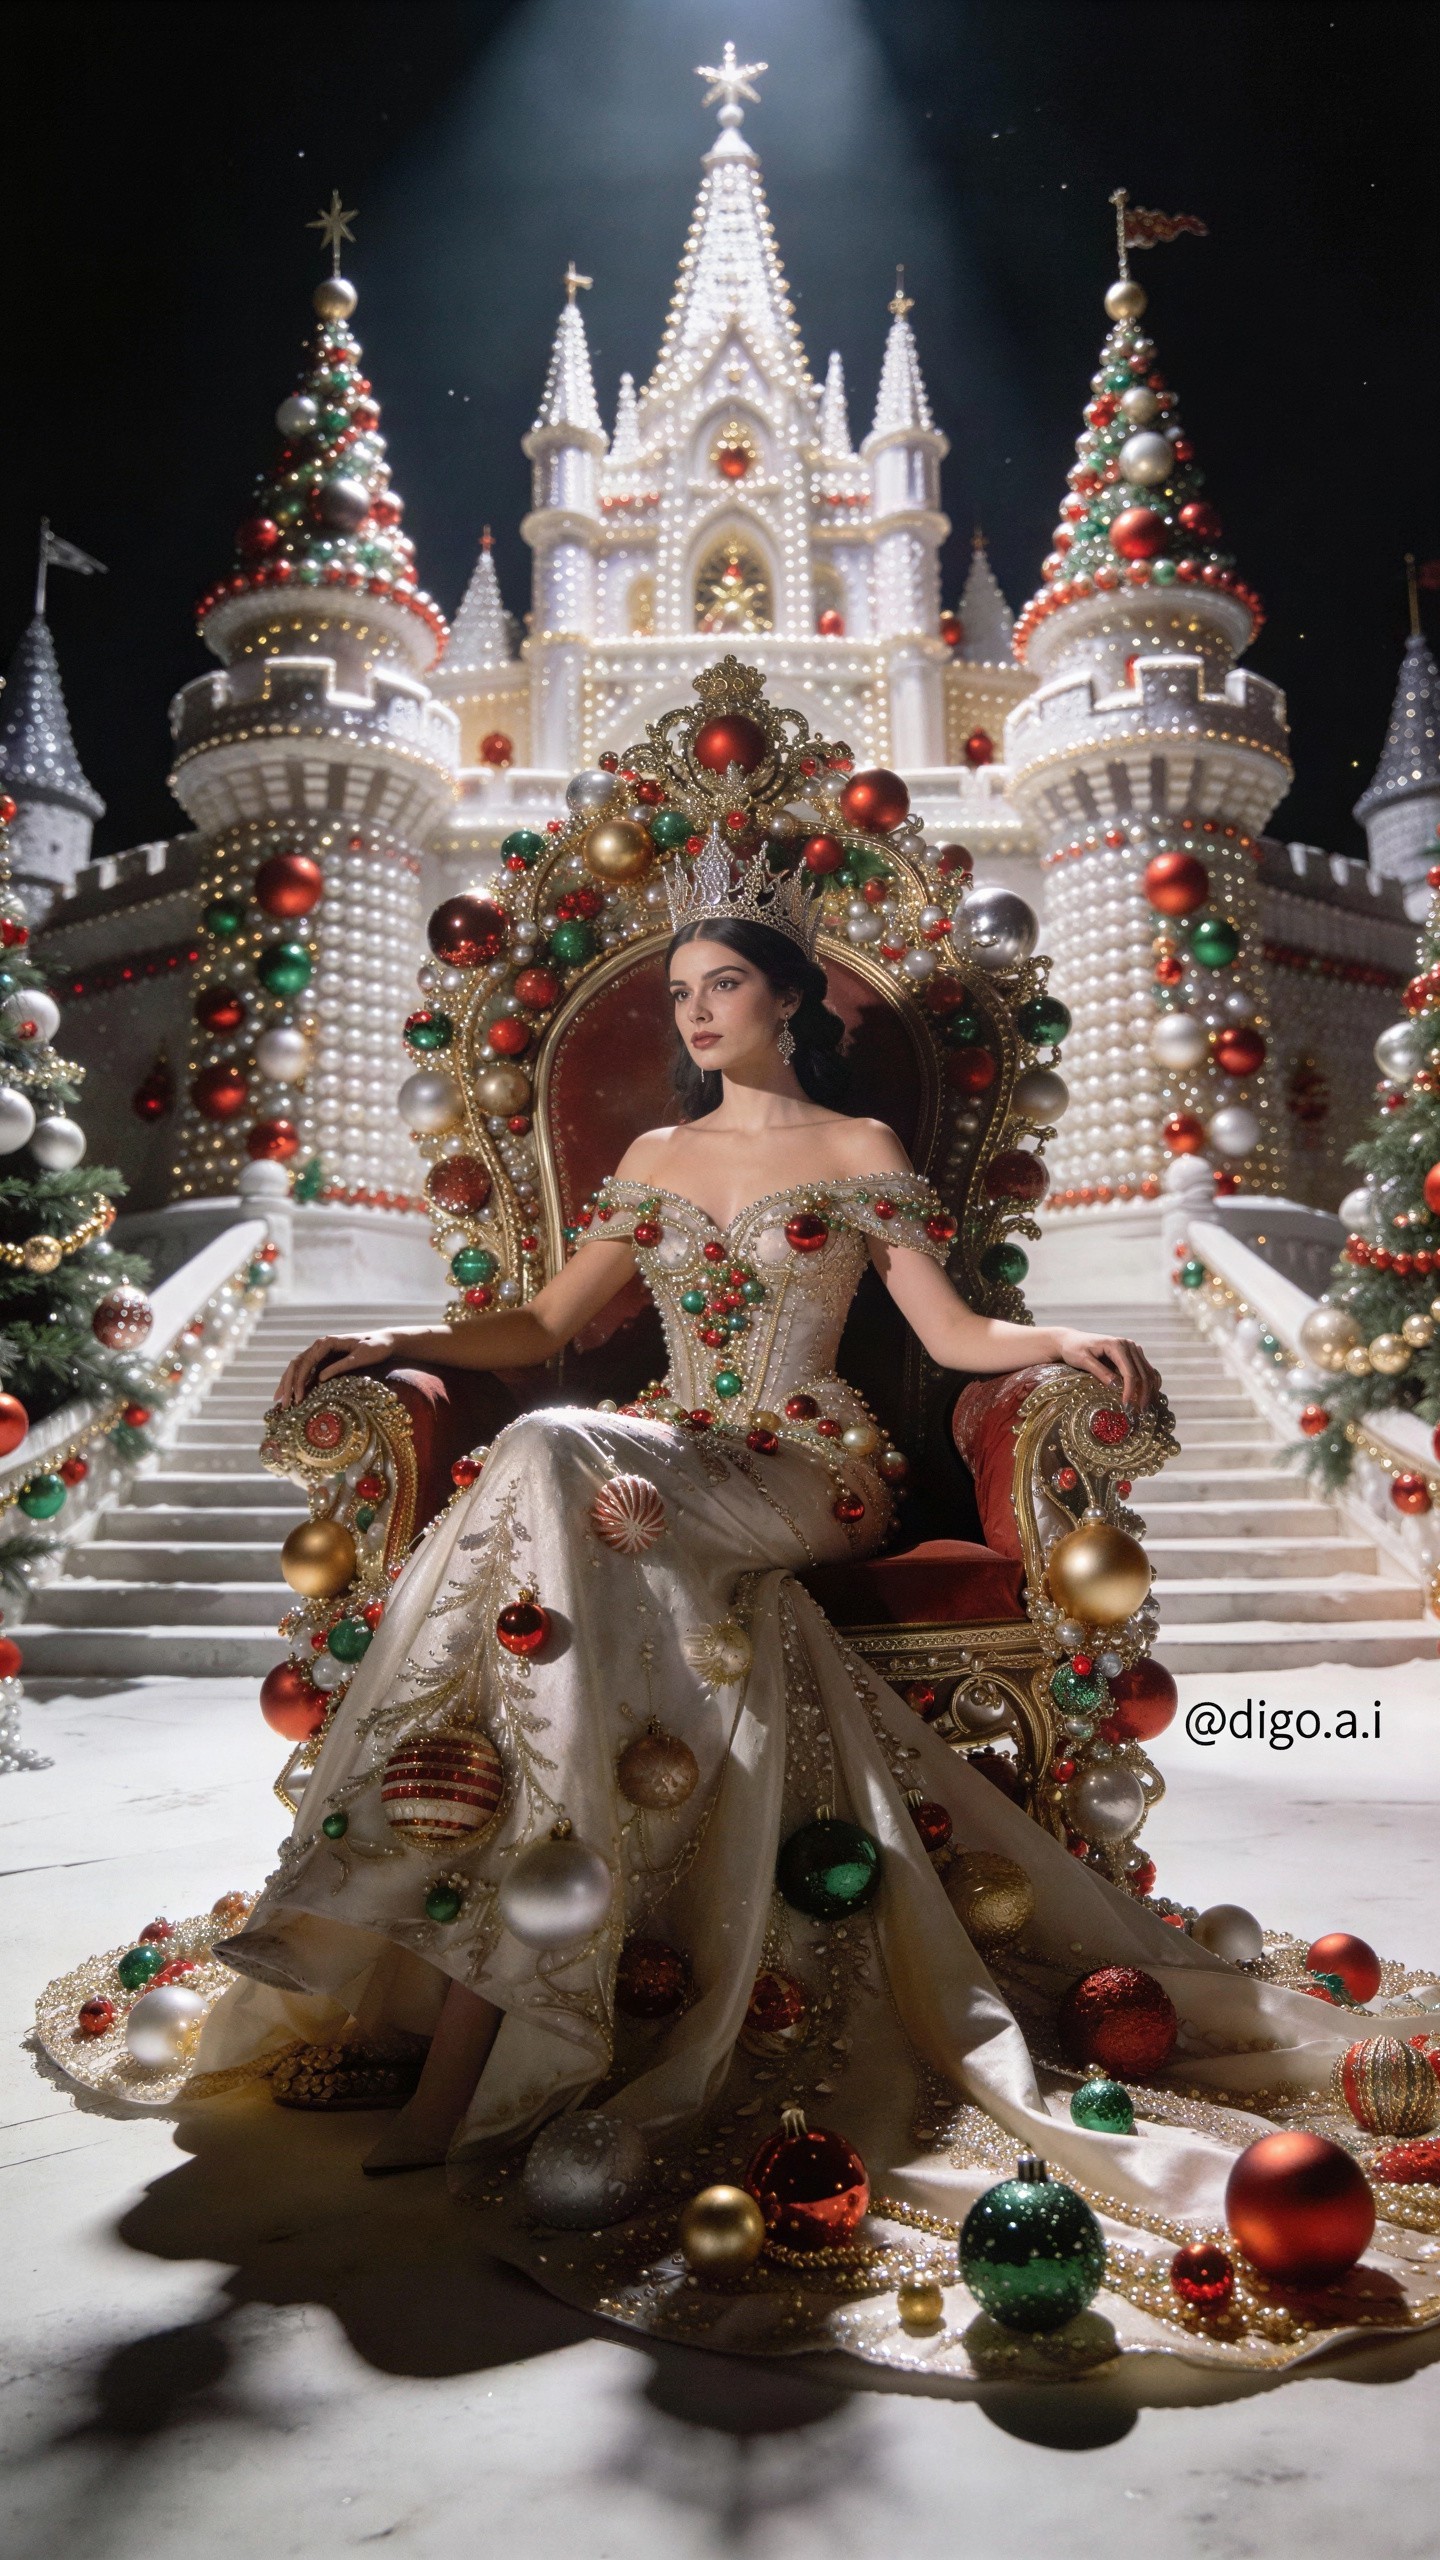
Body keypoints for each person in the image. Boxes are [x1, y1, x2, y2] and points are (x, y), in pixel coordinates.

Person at [76, 850, 1440, 2374]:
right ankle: (489, 1987)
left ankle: (468, 1991)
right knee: (550, 1477)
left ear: (788, 996)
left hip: (807, 1467)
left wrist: (1060, 1334)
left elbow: (950, 1329)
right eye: (676, 993)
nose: (696, 1009)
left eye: (722, 983)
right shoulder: (656, 1154)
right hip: (649, 1459)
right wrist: (395, 1331)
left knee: (549, 1461)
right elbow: (536, 1327)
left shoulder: (856, 1141)